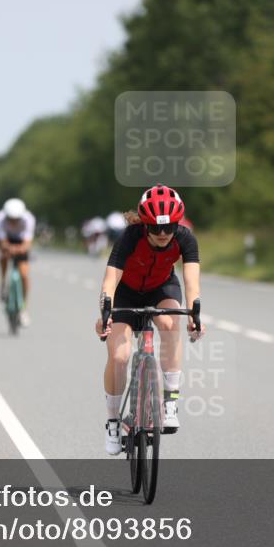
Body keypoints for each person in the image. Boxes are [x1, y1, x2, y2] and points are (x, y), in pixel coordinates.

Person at [95, 184, 205, 455]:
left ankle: (170, 402)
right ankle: (112, 421)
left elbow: (191, 281)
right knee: (119, 356)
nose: (164, 234)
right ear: (145, 225)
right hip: (126, 293)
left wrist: (195, 314)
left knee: (170, 323)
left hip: (161, 288)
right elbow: (110, 280)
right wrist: (105, 313)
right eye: (156, 228)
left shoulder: (185, 238)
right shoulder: (129, 237)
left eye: (169, 228)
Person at [0, 198, 35, 326]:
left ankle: (23, 309)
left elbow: (27, 242)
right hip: (7, 240)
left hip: (21, 241)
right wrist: (8, 248)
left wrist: (21, 249)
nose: (13, 222)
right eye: (11, 219)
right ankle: (3, 282)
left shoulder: (29, 219)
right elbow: (2, 240)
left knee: (24, 275)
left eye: (16, 219)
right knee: (4, 257)